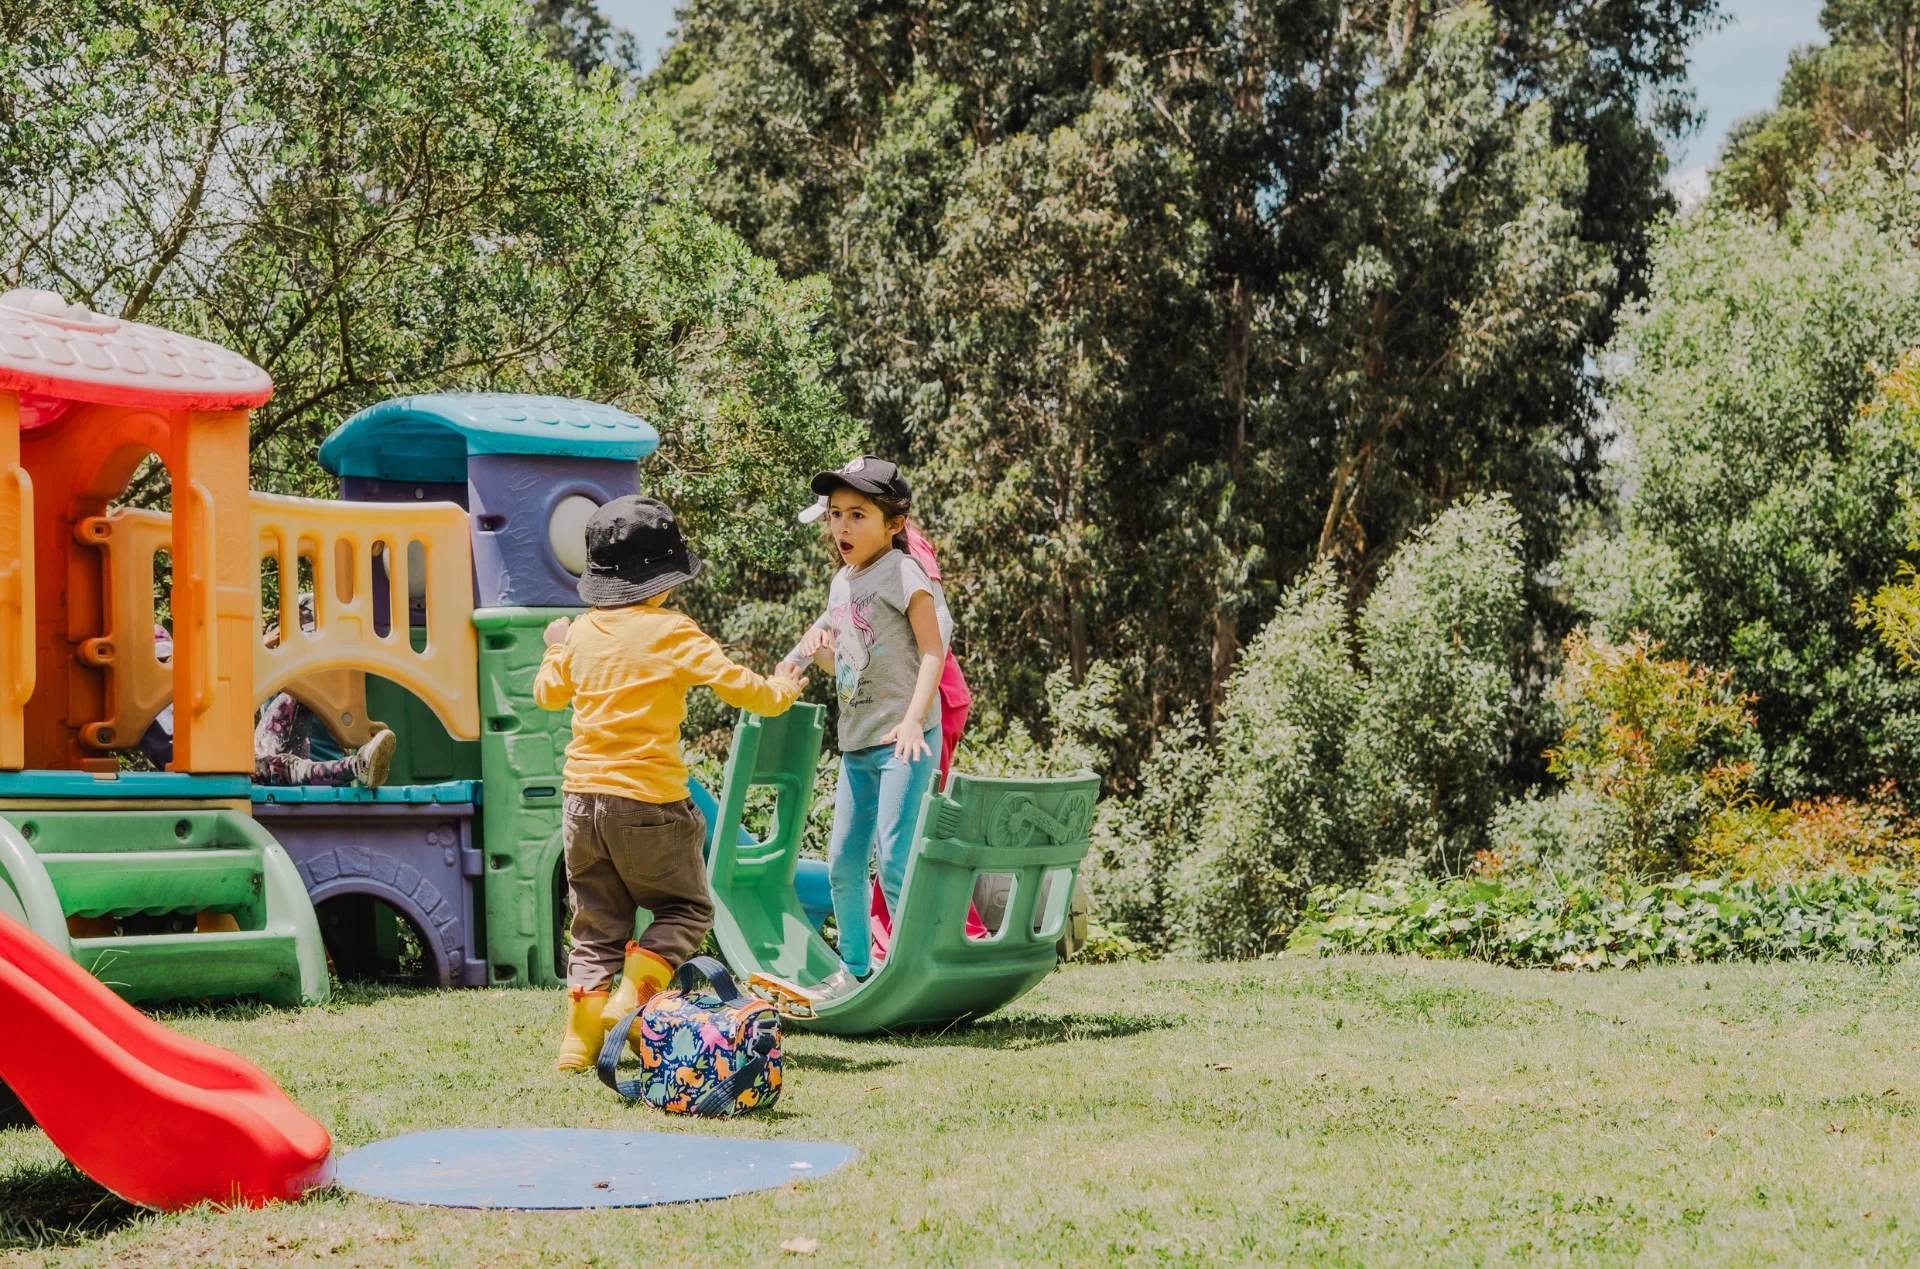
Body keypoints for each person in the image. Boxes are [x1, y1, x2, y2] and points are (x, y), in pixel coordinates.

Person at [535, 495, 805, 1073]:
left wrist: (555, 648)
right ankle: (631, 1001)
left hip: (582, 803)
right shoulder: (673, 632)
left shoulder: (580, 633)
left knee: (596, 924)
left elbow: (548, 695)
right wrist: (783, 686)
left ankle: (577, 1046)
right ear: (662, 582)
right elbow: (743, 689)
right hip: (649, 801)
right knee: (685, 908)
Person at [783, 457, 951, 998]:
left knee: (896, 858)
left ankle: (913, 974)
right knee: (843, 864)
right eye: (836, 515)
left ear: (895, 524)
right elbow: (848, 669)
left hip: (906, 739)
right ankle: (855, 970)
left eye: (858, 515)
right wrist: (815, 656)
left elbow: (932, 650)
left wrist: (910, 722)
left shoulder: (903, 573)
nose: (842, 528)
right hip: (857, 742)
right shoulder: (841, 583)